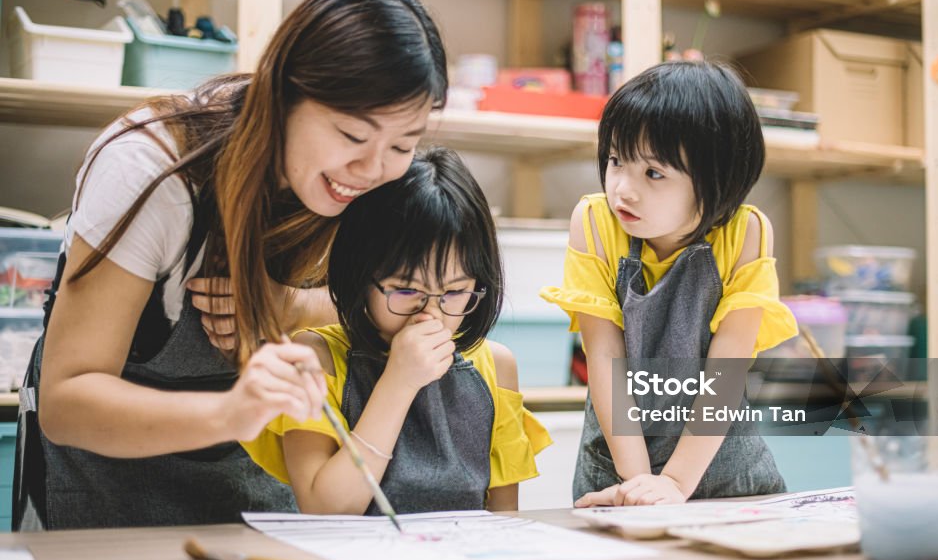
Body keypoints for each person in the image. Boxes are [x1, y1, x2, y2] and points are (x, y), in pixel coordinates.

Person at [13, 0, 449, 530]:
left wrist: (290, 305)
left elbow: (422, 303)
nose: (372, 169)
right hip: (103, 495)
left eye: (403, 145)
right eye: (350, 134)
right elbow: (68, 403)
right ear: (283, 93)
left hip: (258, 501)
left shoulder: (378, 183)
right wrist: (232, 412)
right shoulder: (153, 167)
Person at [540, 60, 798, 507]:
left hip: (720, 471)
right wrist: (640, 485)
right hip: (619, 466)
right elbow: (604, 356)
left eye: (653, 173)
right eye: (617, 160)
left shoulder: (746, 233)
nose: (623, 189)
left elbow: (727, 369)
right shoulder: (596, 222)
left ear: (719, 181)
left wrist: (675, 483)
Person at [242, 148, 552, 514]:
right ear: (360, 277)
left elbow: (503, 519)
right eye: (406, 291)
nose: (431, 316)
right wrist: (399, 382)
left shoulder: (496, 367)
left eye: (454, 292)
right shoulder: (316, 357)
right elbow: (326, 510)